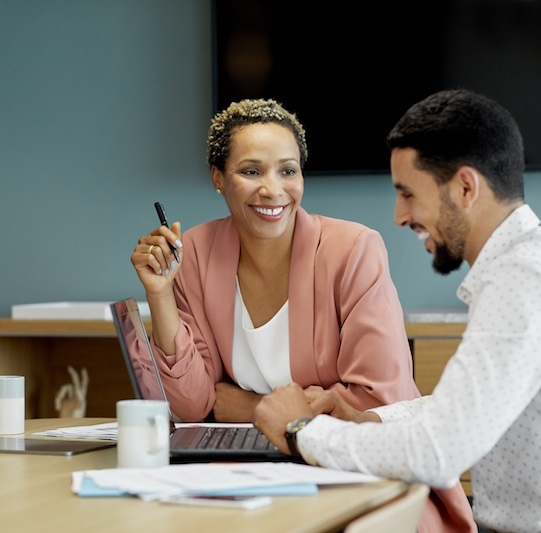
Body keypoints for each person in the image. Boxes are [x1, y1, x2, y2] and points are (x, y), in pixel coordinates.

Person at [252, 89, 541, 532]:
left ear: (464, 187)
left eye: (407, 194)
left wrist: (300, 430)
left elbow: (437, 451)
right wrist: (368, 420)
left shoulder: (526, 279)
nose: (400, 216)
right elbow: (470, 411)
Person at [131, 98, 475, 532]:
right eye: (251, 171)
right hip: (251, 472)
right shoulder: (196, 253)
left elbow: (376, 401)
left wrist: (248, 405)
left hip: (353, 472)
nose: (273, 189)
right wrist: (159, 295)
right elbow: (193, 406)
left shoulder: (353, 249)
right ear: (218, 178)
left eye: (288, 170)